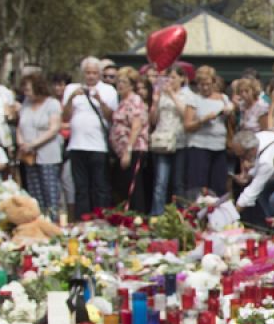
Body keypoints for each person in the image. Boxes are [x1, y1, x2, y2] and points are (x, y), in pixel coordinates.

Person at [62, 56, 117, 218]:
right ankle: (82, 218)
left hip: (98, 146)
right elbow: (65, 117)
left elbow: (111, 117)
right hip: (77, 145)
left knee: (100, 186)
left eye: (94, 73)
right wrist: (72, 98)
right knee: (81, 187)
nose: (91, 76)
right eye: (87, 73)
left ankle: (101, 217)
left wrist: (100, 101)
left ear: (99, 73)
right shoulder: (72, 88)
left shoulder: (108, 90)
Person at [181, 65, 232, 199]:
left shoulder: (224, 98)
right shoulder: (194, 99)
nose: (205, 88)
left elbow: (231, 122)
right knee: (197, 186)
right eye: (201, 85)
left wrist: (229, 112)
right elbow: (187, 125)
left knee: (219, 185)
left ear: (214, 83)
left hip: (219, 147)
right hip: (199, 146)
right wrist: (202, 120)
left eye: (208, 84)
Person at [17, 72, 64, 216]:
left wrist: (33, 144)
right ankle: (38, 218)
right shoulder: (26, 103)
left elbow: (54, 128)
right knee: (34, 190)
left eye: (28, 89)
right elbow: (20, 125)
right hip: (29, 155)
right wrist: (21, 142)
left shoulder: (52, 104)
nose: (26, 93)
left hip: (47, 153)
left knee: (49, 190)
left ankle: (53, 218)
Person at [148, 65, 192, 216]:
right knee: (160, 182)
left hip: (179, 141)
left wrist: (173, 95)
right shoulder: (161, 95)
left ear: (182, 79)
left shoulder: (187, 95)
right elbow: (153, 120)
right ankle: (157, 214)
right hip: (162, 141)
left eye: (174, 77)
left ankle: (179, 215)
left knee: (178, 183)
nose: (170, 81)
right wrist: (154, 103)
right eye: (168, 78)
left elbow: (185, 114)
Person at [109, 68, 151, 212]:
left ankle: (138, 218)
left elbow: (136, 126)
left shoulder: (135, 100)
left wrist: (128, 150)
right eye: (118, 81)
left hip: (134, 148)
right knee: (124, 186)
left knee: (134, 187)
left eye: (124, 82)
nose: (120, 85)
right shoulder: (122, 101)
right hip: (121, 151)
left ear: (132, 85)